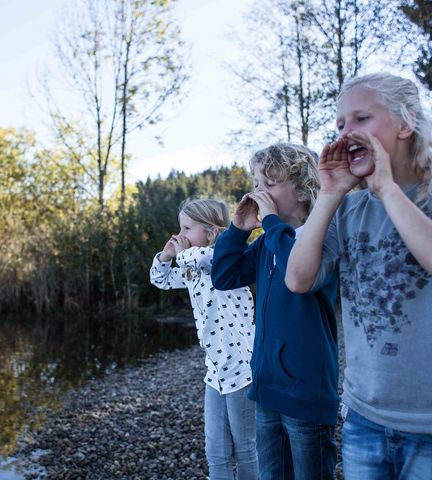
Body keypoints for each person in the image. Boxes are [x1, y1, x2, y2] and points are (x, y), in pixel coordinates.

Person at [285, 73, 432, 479]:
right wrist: (331, 193)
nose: (346, 133)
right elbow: (297, 279)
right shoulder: (349, 211)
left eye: (361, 119)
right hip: (364, 418)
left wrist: (387, 188)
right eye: (340, 125)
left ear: (406, 124)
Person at [211, 143, 339, 480]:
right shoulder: (269, 240)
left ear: (301, 189)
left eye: (269, 184)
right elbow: (224, 276)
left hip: (306, 392)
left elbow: (299, 274)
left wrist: (270, 222)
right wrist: (238, 229)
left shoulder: (318, 238)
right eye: (256, 183)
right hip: (267, 387)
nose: (258, 192)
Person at [149, 198, 258, 480]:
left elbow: (198, 259)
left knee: (245, 448)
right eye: (180, 228)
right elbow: (160, 280)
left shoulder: (221, 258)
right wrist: (164, 256)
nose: (179, 235)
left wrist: (182, 254)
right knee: (215, 449)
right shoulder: (191, 267)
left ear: (210, 232)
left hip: (241, 369)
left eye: (187, 228)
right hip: (215, 372)